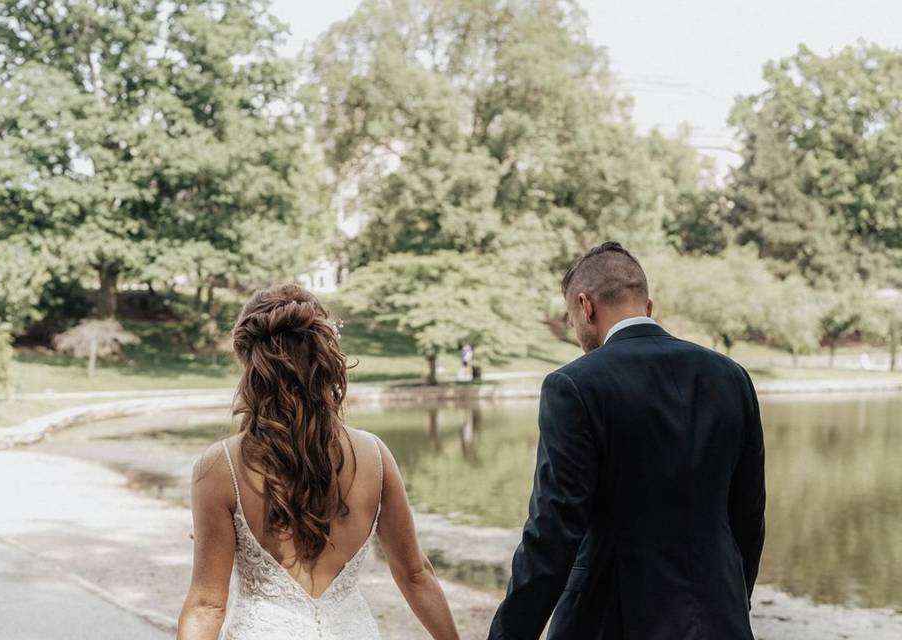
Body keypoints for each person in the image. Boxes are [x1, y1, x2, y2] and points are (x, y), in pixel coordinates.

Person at [488, 242, 766, 640]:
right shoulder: (731, 376)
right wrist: (731, 601)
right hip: (719, 617)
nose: (576, 332)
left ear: (585, 307)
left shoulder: (574, 385)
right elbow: (749, 516)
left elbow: (552, 532)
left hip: (612, 620)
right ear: (646, 306)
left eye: (571, 320)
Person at [178, 284, 460, 640]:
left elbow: (208, 606)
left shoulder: (219, 468)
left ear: (249, 365)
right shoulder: (375, 456)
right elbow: (415, 575)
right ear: (326, 356)